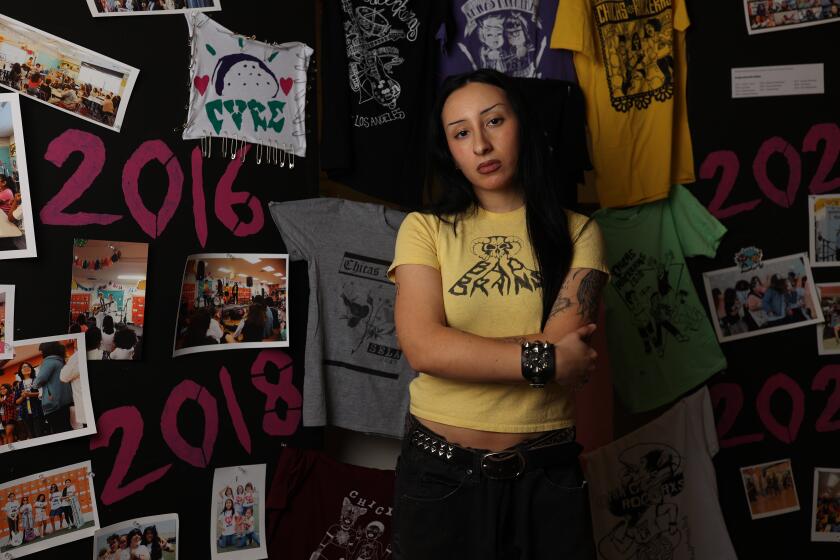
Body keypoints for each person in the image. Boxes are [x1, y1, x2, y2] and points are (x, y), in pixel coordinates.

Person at [389, 69, 606, 558]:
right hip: (440, 475)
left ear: (522, 125)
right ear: (450, 150)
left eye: (494, 122)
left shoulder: (579, 232)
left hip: (546, 475)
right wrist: (542, 359)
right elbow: (423, 346)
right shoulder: (424, 229)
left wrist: (462, 349)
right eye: (461, 133)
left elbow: (569, 354)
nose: (481, 145)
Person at [33, 341, 73, 434]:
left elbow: (38, 382)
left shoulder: (48, 361)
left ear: (47, 350)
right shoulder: (60, 361)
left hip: (54, 404)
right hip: (65, 401)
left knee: (59, 431)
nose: (41, 353)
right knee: (67, 428)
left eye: (41, 350)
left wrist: (35, 382)